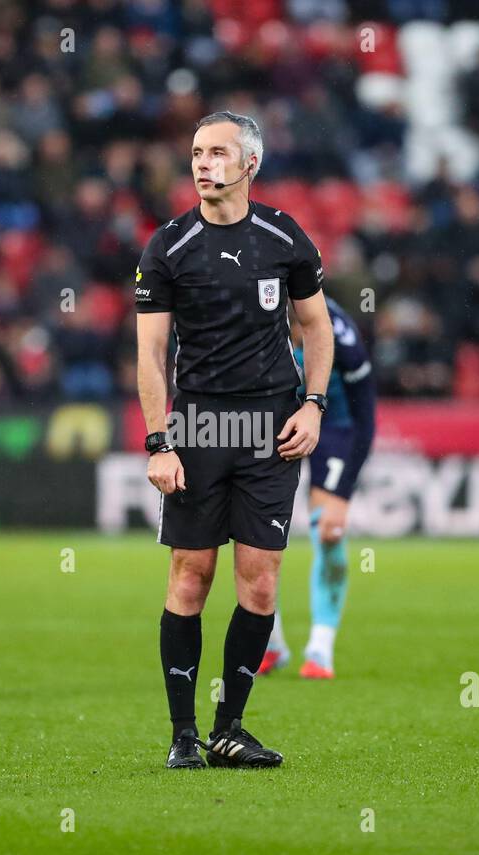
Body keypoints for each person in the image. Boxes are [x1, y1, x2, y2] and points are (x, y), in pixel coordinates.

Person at [135, 111, 334, 769]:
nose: (202, 163)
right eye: (196, 152)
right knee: (191, 576)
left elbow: (317, 328)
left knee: (261, 582)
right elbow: (151, 352)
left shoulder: (284, 237)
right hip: (197, 430)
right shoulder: (168, 246)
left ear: (250, 163)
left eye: (218, 152)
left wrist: (314, 405)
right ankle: (183, 735)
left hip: (270, 428)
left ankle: (230, 728)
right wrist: (159, 441)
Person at [261, 295, 375, 679]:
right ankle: (270, 642)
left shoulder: (339, 332)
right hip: (271, 426)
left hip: (334, 428)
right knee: (253, 534)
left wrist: (344, 492)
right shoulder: (253, 311)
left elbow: (366, 411)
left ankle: (321, 648)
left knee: (329, 531)